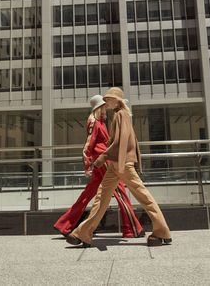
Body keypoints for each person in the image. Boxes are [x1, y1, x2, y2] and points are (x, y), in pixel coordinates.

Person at [66, 88, 172, 248]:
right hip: (116, 165)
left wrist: (103, 157)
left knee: (143, 197)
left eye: (108, 99)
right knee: (101, 198)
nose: (106, 102)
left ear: (117, 100)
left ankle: (162, 231)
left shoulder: (120, 115)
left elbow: (121, 142)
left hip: (122, 164)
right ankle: (83, 233)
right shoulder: (121, 115)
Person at [54, 94, 144, 238]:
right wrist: (87, 165)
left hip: (103, 159)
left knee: (88, 193)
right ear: (99, 108)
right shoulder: (94, 121)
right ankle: (131, 229)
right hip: (102, 160)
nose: (106, 109)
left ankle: (64, 225)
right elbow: (88, 144)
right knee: (120, 192)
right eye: (104, 106)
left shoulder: (100, 121)